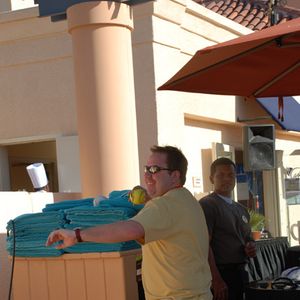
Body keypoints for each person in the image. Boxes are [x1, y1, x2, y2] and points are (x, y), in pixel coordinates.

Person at [46, 145, 212, 300]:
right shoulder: (187, 200)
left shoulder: (164, 205)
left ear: (175, 176)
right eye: (146, 169)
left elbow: (130, 230)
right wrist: (149, 202)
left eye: (155, 169)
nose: (147, 175)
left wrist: (77, 235)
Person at [199, 157, 256, 300]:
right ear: (211, 178)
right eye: (221, 175)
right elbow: (203, 245)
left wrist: (250, 246)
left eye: (231, 175)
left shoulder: (241, 209)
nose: (226, 179)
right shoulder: (207, 205)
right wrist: (216, 280)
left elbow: (248, 238)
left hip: (241, 272)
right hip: (221, 275)